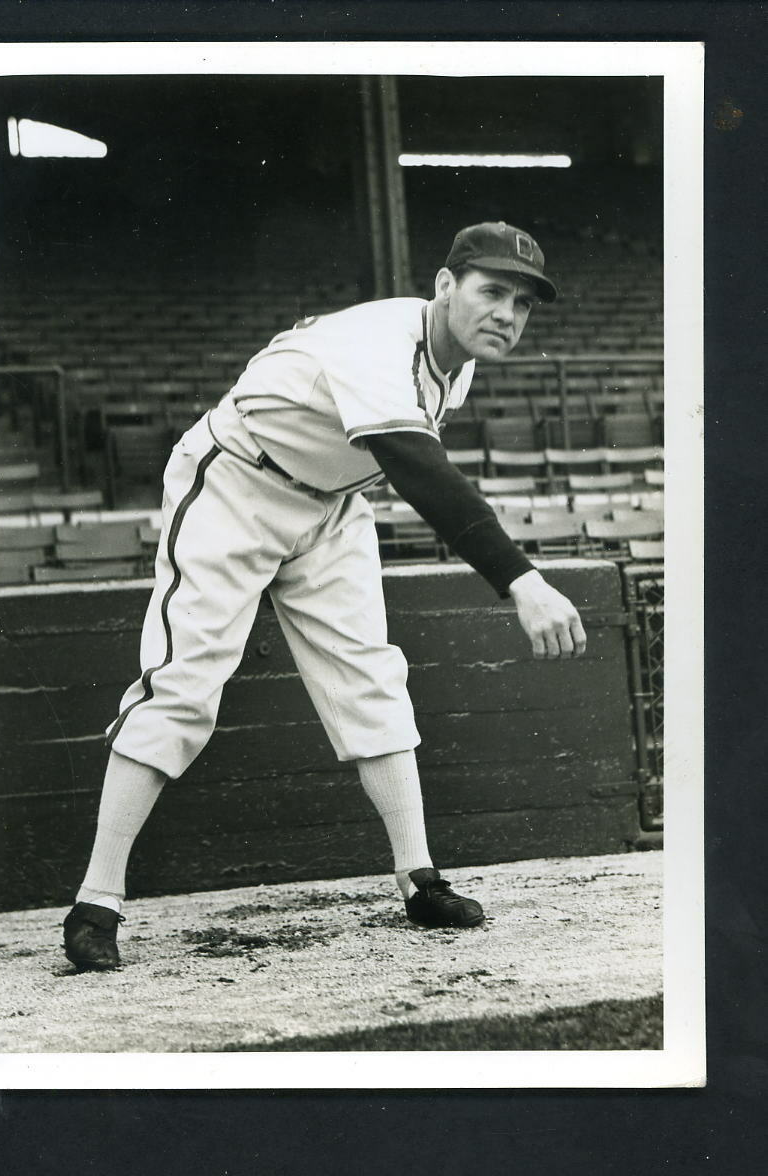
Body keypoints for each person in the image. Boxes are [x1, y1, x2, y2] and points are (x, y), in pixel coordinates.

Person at [62, 221, 587, 971]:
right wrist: (522, 581)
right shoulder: (380, 343)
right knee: (183, 686)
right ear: (445, 285)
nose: (507, 312)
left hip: (332, 503)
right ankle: (96, 902)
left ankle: (419, 879)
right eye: (492, 290)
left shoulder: (457, 362)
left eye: (523, 303)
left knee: (372, 676)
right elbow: (421, 472)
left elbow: (390, 460)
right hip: (238, 481)